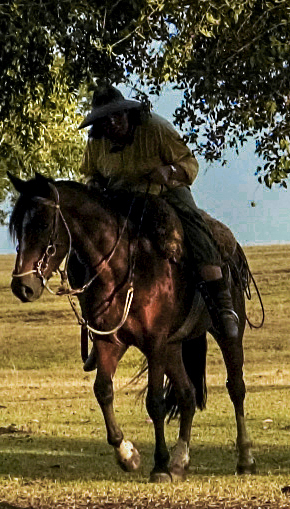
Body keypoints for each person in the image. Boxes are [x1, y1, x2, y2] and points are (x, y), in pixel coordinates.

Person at [81, 85, 242, 340]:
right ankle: (95, 323)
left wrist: (169, 172)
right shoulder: (97, 140)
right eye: (105, 119)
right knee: (85, 246)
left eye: (117, 116)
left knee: (194, 228)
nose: (112, 123)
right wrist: (93, 186)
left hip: (164, 192)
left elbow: (189, 163)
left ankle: (223, 307)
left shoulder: (157, 128)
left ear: (127, 113)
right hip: (118, 198)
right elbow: (91, 172)